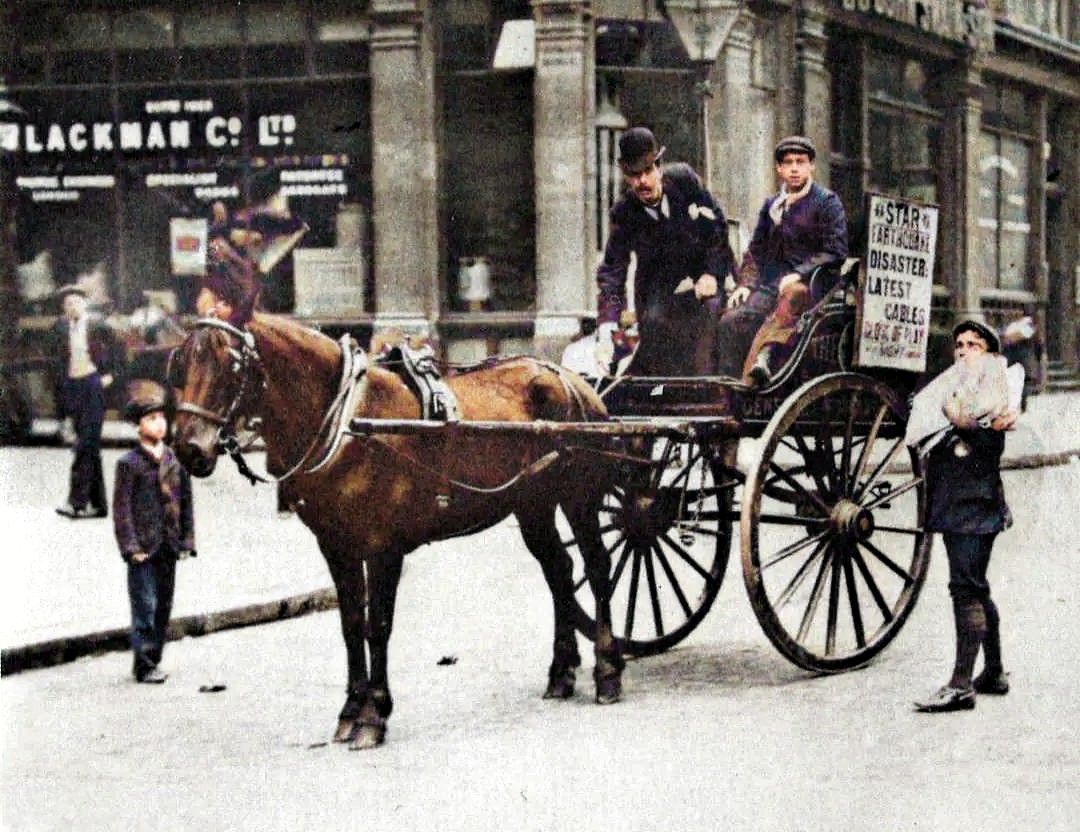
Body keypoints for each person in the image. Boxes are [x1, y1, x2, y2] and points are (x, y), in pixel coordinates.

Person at [911, 320, 1016, 713]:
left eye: (974, 344)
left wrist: (949, 411)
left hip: (974, 504)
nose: (963, 350)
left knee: (965, 589)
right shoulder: (959, 384)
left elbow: (971, 424)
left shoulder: (996, 388)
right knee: (976, 585)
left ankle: (960, 684)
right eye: (959, 344)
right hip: (961, 503)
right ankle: (993, 671)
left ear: (989, 353)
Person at [595, 126, 736, 376]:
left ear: (659, 167)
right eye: (633, 175)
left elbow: (717, 228)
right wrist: (608, 322)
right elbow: (612, 273)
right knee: (654, 325)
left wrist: (712, 274)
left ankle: (704, 388)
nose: (643, 182)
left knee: (712, 311)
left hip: (703, 278)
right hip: (658, 290)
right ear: (626, 176)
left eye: (648, 171)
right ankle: (665, 393)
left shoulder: (684, 180)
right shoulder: (623, 213)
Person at [714, 136, 848, 385]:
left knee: (792, 295)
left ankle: (761, 362)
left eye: (800, 162)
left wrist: (799, 273)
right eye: (788, 163)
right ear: (779, 169)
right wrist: (745, 284)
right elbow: (756, 251)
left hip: (813, 290)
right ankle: (727, 392)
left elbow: (836, 251)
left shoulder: (827, 203)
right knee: (731, 321)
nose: (794, 168)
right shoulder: (772, 205)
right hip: (772, 287)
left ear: (811, 167)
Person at [113, 381, 195, 684]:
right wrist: (130, 546)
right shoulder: (129, 464)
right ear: (138, 427)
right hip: (143, 547)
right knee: (144, 607)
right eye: (150, 419)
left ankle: (155, 658)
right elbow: (122, 512)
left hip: (169, 545)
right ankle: (144, 664)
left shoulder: (175, 460)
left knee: (163, 606)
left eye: (161, 418)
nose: (158, 424)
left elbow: (186, 503)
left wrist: (186, 540)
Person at [52, 284, 122, 519]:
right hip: (74, 386)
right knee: (90, 446)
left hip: (93, 385)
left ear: (84, 304)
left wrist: (110, 374)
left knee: (84, 444)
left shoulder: (97, 325)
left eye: (75, 302)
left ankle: (76, 502)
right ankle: (100, 504)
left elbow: (119, 349)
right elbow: (55, 359)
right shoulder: (60, 328)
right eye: (67, 304)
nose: (71, 307)